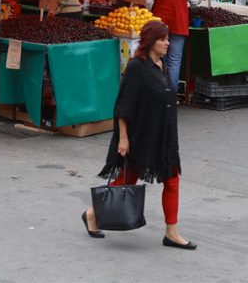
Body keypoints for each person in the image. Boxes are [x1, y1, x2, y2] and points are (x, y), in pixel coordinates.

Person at [82, 21, 195, 249]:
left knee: (172, 180)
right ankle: (92, 213)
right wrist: (123, 139)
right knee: (128, 179)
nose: (167, 43)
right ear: (151, 41)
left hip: (163, 135)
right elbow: (123, 106)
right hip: (141, 135)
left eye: (167, 38)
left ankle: (171, 232)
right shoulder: (137, 67)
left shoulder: (160, 65)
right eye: (163, 39)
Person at [146, 0, 201, 93]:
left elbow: (149, 1)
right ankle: (172, 95)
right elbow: (195, 1)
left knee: (156, 58)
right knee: (174, 61)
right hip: (179, 22)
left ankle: (157, 93)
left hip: (159, 23)